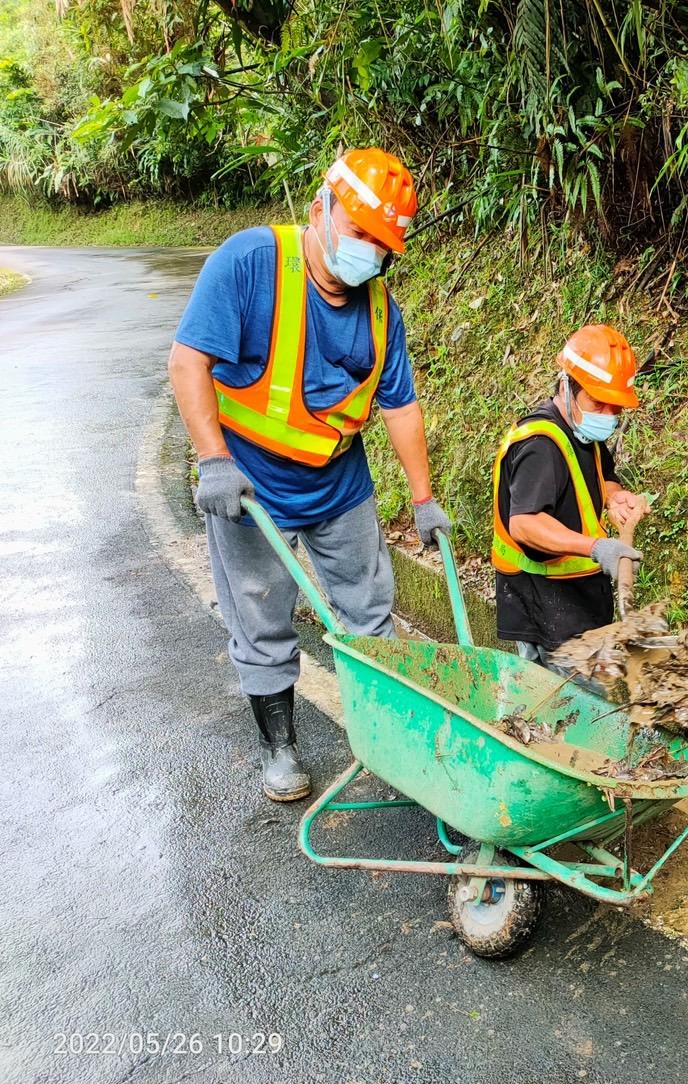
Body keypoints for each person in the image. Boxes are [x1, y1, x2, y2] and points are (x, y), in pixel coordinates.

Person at [169, 148, 450, 803]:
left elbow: (400, 404)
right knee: (262, 619)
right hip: (251, 488)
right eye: (359, 233)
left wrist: (424, 499)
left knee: (371, 616)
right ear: (321, 208)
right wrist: (213, 460)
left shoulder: (381, 310)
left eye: (383, 246)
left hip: (339, 485)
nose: (370, 256)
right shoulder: (250, 264)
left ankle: (390, 742)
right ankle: (281, 750)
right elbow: (188, 363)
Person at [492, 324, 650, 666]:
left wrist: (614, 496)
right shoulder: (539, 446)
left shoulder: (581, 431)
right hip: (543, 604)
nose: (608, 416)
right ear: (567, 386)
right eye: (600, 402)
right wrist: (596, 547)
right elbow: (525, 524)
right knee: (565, 709)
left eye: (616, 407)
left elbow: (598, 476)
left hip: (576, 601)